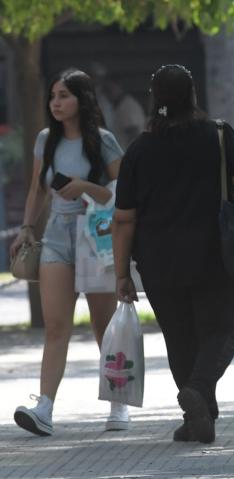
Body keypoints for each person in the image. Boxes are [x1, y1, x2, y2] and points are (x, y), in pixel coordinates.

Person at [111, 64, 234, 443]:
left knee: (180, 338)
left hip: (158, 262)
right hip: (215, 255)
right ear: (193, 94)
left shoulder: (139, 151)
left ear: (154, 99)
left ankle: (198, 415)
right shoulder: (218, 136)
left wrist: (121, 273)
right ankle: (197, 394)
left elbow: (124, 219)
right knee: (224, 329)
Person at [9, 69, 126, 436]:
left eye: (63, 96)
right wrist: (28, 227)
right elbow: (37, 190)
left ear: (82, 99)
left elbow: (121, 190)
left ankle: (117, 402)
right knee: (56, 325)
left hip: (96, 237)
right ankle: (44, 407)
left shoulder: (103, 141)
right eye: (52, 97)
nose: (55, 103)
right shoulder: (46, 139)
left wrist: (85, 186)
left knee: (103, 326)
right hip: (57, 236)